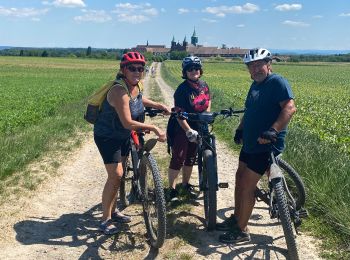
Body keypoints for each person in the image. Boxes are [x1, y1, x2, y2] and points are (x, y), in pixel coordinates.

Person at [217, 48, 297, 243]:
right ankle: (237, 217)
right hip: (250, 143)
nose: (255, 69)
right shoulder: (254, 85)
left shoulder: (276, 82)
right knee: (239, 177)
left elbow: (290, 107)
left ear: (268, 65)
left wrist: (274, 130)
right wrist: (240, 129)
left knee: (246, 185)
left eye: (259, 64)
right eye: (251, 66)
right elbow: (250, 111)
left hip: (266, 145)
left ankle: (242, 230)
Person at [93, 51, 170, 235]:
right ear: (123, 70)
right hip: (108, 136)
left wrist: (158, 105)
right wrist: (152, 127)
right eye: (132, 68)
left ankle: (113, 210)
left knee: (120, 172)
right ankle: (105, 219)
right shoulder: (119, 90)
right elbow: (128, 122)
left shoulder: (135, 85)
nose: (137, 71)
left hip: (123, 135)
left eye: (140, 68)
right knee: (116, 175)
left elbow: (138, 99)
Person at [166, 55, 211, 202]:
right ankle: (171, 190)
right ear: (185, 72)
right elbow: (178, 113)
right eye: (190, 69)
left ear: (200, 70)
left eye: (196, 68)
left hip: (199, 126)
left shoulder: (204, 86)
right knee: (178, 157)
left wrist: (207, 118)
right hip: (182, 127)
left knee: (191, 157)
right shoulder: (182, 89)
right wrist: (188, 130)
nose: (194, 71)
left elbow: (207, 102)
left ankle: (185, 185)